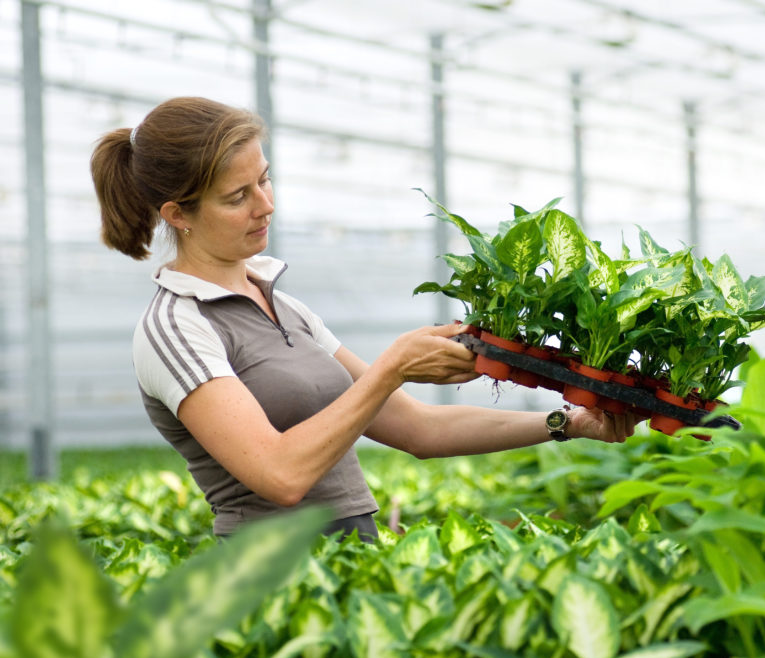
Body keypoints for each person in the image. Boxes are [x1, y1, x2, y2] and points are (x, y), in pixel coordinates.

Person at [90, 96, 640, 542]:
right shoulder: (176, 327)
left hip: (353, 550)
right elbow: (279, 475)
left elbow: (417, 429)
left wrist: (567, 424)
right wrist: (391, 367)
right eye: (237, 196)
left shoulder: (284, 305)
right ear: (177, 215)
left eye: (265, 179)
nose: (266, 204)